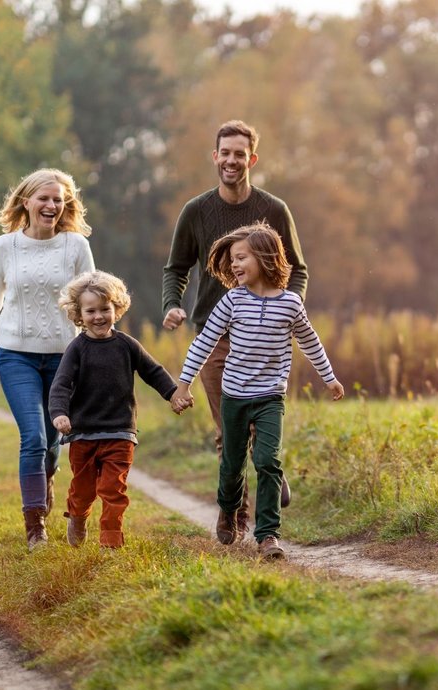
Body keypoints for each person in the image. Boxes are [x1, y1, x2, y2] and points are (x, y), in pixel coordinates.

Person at [162, 119, 306, 541]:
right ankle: (233, 517)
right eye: (224, 153)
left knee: (263, 426)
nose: (231, 160)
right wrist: (172, 304)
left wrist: (285, 309)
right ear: (215, 157)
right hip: (214, 333)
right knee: (229, 432)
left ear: (252, 159)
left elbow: (297, 270)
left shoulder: (274, 209)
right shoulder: (196, 211)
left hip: (265, 335)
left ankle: (269, 475)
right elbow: (176, 268)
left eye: (239, 154)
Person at [172, 222, 344, 560]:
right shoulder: (232, 302)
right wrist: (183, 383)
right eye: (232, 260)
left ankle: (268, 536)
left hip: (270, 397)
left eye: (240, 258)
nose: (234, 265)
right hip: (234, 396)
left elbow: (310, 342)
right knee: (232, 465)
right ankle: (229, 510)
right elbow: (204, 342)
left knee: (268, 461)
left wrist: (330, 377)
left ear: (264, 258)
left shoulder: (291, 304)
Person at [0, 168, 95, 551]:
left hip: (64, 359)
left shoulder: (74, 247)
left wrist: (98, 347)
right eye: (44, 198)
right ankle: (35, 525)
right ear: (26, 201)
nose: (52, 205)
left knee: (53, 443)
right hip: (15, 355)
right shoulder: (5, 247)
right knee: (33, 437)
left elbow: (91, 297)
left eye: (59, 199)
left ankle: (46, 478)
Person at [48, 271, 186, 549]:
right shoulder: (77, 349)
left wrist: (173, 394)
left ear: (117, 308)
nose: (98, 316)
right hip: (83, 433)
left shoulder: (127, 345)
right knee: (84, 489)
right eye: (91, 311)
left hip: (121, 431)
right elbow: (60, 385)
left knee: (113, 489)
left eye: (105, 309)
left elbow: (153, 371)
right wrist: (59, 413)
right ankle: (77, 515)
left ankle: (110, 541)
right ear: (79, 314)